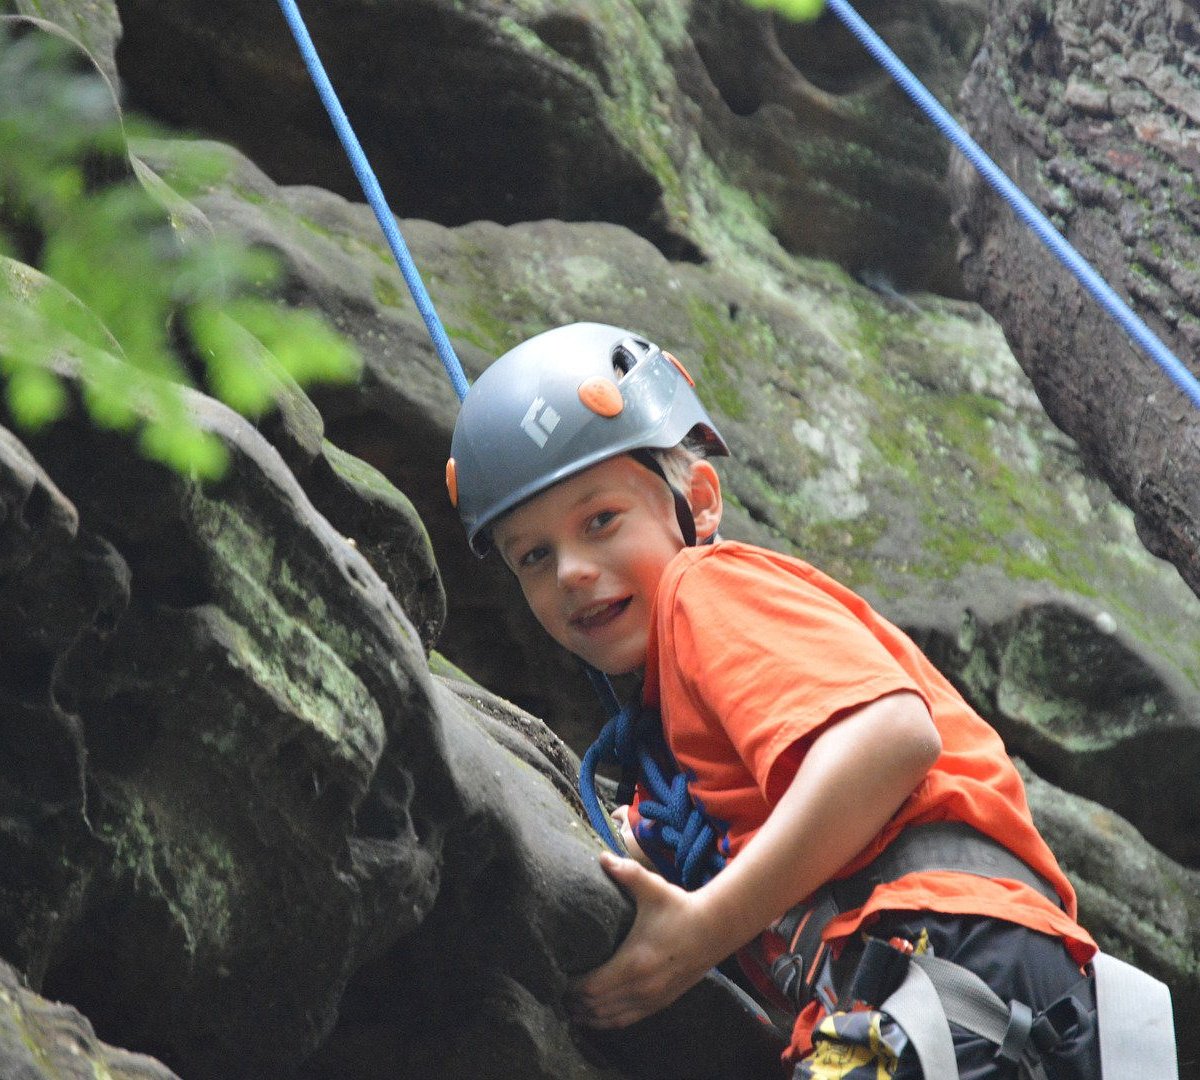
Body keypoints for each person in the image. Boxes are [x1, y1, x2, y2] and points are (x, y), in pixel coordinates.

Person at [446, 322, 1102, 1078]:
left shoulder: (708, 588)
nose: (572, 572)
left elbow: (890, 738)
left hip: (950, 965)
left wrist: (698, 934)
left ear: (697, 499)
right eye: (534, 556)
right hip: (960, 1001)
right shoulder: (674, 743)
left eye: (600, 521)